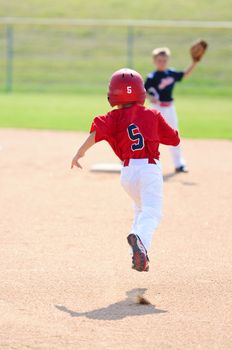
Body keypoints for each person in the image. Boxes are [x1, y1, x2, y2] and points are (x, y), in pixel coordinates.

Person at [71, 68, 180, 272]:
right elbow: (174, 138)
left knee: (140, 210)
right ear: (141, 92)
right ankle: (139, 240)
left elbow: (96, 132)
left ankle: (138, 255)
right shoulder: (152, 114)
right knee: (153, 213)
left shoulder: (113, 118)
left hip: (128, 174)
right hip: (149, 168)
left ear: (112, 94)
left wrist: (80, 152)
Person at [145, 47, 198, 173]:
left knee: (174, 134)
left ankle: (179, 164)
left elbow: (185, 74)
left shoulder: (171, 73)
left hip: (169, 108)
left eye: (164, 60)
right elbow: (143, 91)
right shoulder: (152, 77)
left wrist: (194, 62)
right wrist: (150, 97)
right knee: (150, 135)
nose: (162, 63)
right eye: (159, 60)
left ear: (167, 60)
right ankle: (144, 161)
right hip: (156, 109)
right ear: (154, 61)